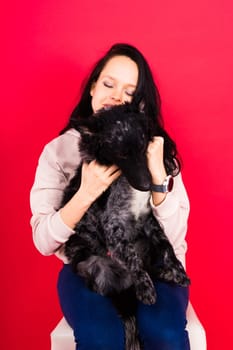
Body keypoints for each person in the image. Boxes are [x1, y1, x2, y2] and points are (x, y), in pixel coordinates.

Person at [30, 43, 190, 350]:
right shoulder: (59, 152)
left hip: (154, 266)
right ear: (93, 87)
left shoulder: (157, 150)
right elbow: (43, 241)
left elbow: (173, 237)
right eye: (108, 84)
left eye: (129, 91)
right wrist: (85, 194)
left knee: (166, 334)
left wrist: (158, 179)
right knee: (101, 338)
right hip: (89, 267)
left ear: (139, 104)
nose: (116, 96)